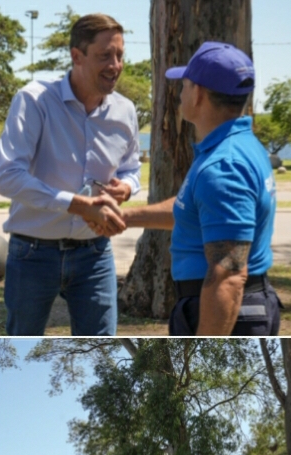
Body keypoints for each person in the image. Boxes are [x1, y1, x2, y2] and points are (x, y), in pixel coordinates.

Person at [118, 42, 281, 335]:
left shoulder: (224, 167)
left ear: (199, 93)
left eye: (184, 84)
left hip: (228, 311)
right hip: (239, 306)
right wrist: (126, 217)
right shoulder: (239, 146)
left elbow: (228, 275)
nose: (180, 93)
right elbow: (195, 211)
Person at [0, 13, 139, 336]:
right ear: (77, 56)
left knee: (101, 351)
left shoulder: (125, 111)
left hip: (96, 254)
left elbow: (132, 168)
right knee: (21, 349)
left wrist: (126, 187)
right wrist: (78, 205)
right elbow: (7, 176)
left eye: (120, 56)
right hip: (33, 253)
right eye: (105, 56)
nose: (115, 65)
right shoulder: (34, 100)